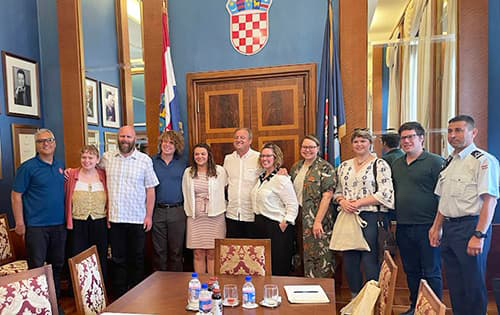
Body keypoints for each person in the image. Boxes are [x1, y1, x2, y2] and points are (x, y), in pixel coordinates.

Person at [430, 115, 499, 315]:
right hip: (450, 229)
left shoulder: (483, 161)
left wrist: (479, 235)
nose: (453, 135)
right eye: (450, 131)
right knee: (455, 285)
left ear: (473, 132)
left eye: (459, 130)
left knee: (473, 284)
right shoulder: (449, 161)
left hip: (471, 227)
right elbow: (444, 199)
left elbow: (490, 200)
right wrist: (436, 227)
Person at [391, 122, 444, 315]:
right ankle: (415, 308)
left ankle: (433, 310)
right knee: (411, 271)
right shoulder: (396, 164)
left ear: (421, 138)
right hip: (403, 227)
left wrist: (438, 227)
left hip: (428, 226)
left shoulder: (436, 162)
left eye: (410, 137)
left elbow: (444, 196)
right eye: (403, 138)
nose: (406, 141)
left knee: (431, 272)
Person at [334, 128, 394, 297]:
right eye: (356, 141)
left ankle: (371, 300)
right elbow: (337, 191)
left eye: (363, 141)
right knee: (350, 260)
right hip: (348, 217)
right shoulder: (344, 166)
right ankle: (355, 298)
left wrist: (358, 203)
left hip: (371, 217)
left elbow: (386, 193)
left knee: (370, 261)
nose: (359, 144)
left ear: (370, 143)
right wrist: (342, 201)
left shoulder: (379, 164)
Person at [101, 125, 159, 297]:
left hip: (137, 218)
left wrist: (149, 215)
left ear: (135, 139)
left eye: (128, 137)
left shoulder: (144, 160)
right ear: (117, 138)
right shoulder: (107, 158)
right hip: (116, 218)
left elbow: (150, 190)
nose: (125, 140)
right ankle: (120, 296)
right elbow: (89, 166)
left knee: (137, 258)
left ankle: (137, 295)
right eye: (122, 136)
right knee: (118, 259)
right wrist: (71, 173)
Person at [11, 129, 66, 302]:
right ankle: (38, 306)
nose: (46, 144)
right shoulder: (27, 168)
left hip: (59, 225)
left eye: (49, 140)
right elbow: (16, 196)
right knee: (36, 268)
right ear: (36, 145)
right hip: (36, 227)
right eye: (41, 141)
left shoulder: (59, 165)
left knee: (57, 266)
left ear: (54, 143)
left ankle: (54, 305)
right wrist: (19, 222)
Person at [290, 135, 336, 278]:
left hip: (317, 218)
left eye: (311, 147)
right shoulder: (296, 167)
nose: (307, 150)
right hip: (298, 216)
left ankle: (321, 292)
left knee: (319, 255)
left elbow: (327, 196)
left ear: (318, 149)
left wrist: (317, 221)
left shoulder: (325, 168)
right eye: (304, 147)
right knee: (300, 254)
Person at [252, 143, 298, 276]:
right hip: (260, 225)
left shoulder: (281, 179)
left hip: (276, 226)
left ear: (275, 158)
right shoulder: (260, 178)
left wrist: (286, 222)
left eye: (268, 156)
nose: (264, 159)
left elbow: (292, 204)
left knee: (278, 266)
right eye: (262, 156)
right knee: (263, 266)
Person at [64, 145, 109, 282]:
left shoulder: (104, 175)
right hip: (78, 223)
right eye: (84, 157)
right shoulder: (71, 175)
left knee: (100, 256)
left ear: (97, 159)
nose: (87, 160)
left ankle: (100, 288)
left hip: (99, 222)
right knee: (78, 257)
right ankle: (79, 290)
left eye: (90, 157)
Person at [182, 143, 227, 274]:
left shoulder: (219, 171)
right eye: (197, 154)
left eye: (203, 154)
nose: (200, 156)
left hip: (215, 216)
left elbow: (226, 187)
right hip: (195, 217)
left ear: (208, 155)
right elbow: (185, 192)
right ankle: (201, 285)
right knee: (198, 253)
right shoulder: (188, 172)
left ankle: (213, 284)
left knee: (213, 252)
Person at [152, 130, 187, 271]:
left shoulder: (183, 163)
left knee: (176, 252)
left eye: (171, 142)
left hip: (177, 211)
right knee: (159, 252)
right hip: (157, 211)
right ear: (161, 143)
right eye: (165, 141)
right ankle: (159, 286)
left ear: (176, 145)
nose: (167, 145)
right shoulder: (151, 162)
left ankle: (175, 285)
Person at [223, 128, 260, 238]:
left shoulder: (259, 157)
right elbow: (224, 183)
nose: (239, 140)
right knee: (233, 251)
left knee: (252, 251)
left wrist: (282, 172)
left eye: (242, 137)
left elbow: (269, 177)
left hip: (252, 214)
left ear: (250, 141)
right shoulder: (228, 159)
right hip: (232, 214)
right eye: (236, 137)